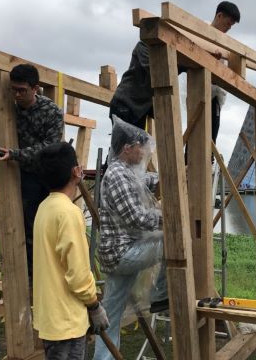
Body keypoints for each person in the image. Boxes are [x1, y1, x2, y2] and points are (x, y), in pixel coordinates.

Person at [109, 0, 241, 145]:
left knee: (135, 151)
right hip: (125, 104)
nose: (229, 28)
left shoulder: (170, 55)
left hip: (140, 108)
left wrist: (206, 59)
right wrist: (201, 59)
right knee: (125, 150)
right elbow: (162, 73)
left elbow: (181, 65)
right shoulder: (145, 47)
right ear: (220, 16)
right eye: (228, 23)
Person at [0, 63, 64, 284]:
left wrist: (15, 154)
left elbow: (49, 148)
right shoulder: (10, 109)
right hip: (22, 176)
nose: (17, 95)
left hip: (47, 177)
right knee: (23, 228)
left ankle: (49, 277)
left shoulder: (51, 112)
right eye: (13, 90)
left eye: (22, 90)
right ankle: (28, 278)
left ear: (35, 88)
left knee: (47, 228)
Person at [93, 117, 167, 360]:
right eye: (140, 147)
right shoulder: (117, 175)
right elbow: (136, 218)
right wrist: (167, 220)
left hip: (119, 252)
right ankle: (161, 296)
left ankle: (103, 358)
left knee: (110, 314)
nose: (144, 152)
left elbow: (145, 181)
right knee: (172, 243)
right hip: (123, 253)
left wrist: (170, 176)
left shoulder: (125, 172)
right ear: (127, 148)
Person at [33, 142, 109, 360]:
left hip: (51, 317)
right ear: (76, 172)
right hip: (67, 319)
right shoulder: (69, 212)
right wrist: (94, 305)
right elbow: (78, 274)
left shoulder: (44, 207)